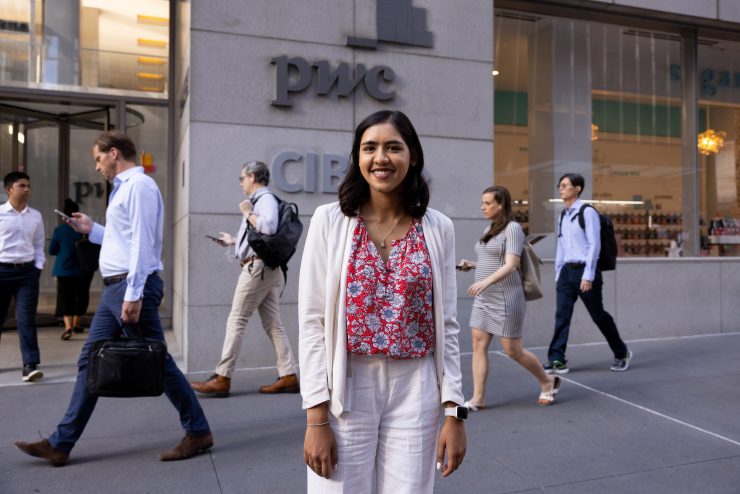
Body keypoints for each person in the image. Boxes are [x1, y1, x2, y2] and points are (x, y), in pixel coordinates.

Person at [15, 130, 212, 466]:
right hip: (116, 290)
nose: (96, 167)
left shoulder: (139, 187)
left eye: (98, 158)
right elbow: (123, 239)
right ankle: (61, 444)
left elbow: (142, 245)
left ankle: (198, 432)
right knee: (90, 361)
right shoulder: (126, 189)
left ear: (115, 153)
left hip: (129, 288)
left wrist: (134, 294)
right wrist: (92, 229)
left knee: (157, 362)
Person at [300, 110, 467, 493]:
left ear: (413, 157)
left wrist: (456, 414)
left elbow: (450, 328)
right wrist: (315, 418)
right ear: (358, 158)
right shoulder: (331, 221)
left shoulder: (438, 227)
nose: (381, 158)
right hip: (348, 385)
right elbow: (313, 323)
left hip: (418, 386)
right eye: (369, 147)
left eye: (394, 147)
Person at [190, 161, 299, 397]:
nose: (240, 183)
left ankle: (222, 377)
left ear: (252, 177)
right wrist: (232, 241)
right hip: (264, 268)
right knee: (273, 324)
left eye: (242, 178)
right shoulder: (260, 201)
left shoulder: (264, 199)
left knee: (237, 319)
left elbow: (268, 228)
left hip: (257, 269)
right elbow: (257, 234)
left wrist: (247, 212)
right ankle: (288, 375)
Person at [458, 185, 560, 409]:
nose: (483, 207)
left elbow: (512, 264)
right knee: (478, 344)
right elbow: (491, 260)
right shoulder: (490, 228)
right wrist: (472, 265)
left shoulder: (513, 229)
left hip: (506, 297)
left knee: (513, 350)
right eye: (482, 202)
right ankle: (478, 398)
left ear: (501, 204)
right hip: (485, 298)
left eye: (487, 203)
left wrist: (484, 281)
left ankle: (547, 380)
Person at [543, 173, 632, 374]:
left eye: (565, 185)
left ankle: (622, 352)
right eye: (560, 185)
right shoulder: (563, 215)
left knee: (598, 315)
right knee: (562, 316)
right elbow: (562, 246)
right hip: (566, 272)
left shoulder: (587, 212)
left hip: (585, 271)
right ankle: (557, 359)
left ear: (577, 189)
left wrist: (588, 275)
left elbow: (594, 245)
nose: (561, 188)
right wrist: (558, 272)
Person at [0, 171, 45, 382]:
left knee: (26, 318)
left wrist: (37, 267)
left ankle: (30, 365)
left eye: (28, 185)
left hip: (27, 273)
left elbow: (39, 245)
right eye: (22, 186)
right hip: (2, 271)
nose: (27, 189)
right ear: (9, 189)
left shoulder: (35, 216)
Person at [49, 198, 95, 340]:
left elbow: (52, 250)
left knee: (65, 297)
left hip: (64, 270)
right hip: (84, 269)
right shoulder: (85, 230)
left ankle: (68, 327)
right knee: (81, 296)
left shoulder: (59, 230)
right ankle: (77, 324)